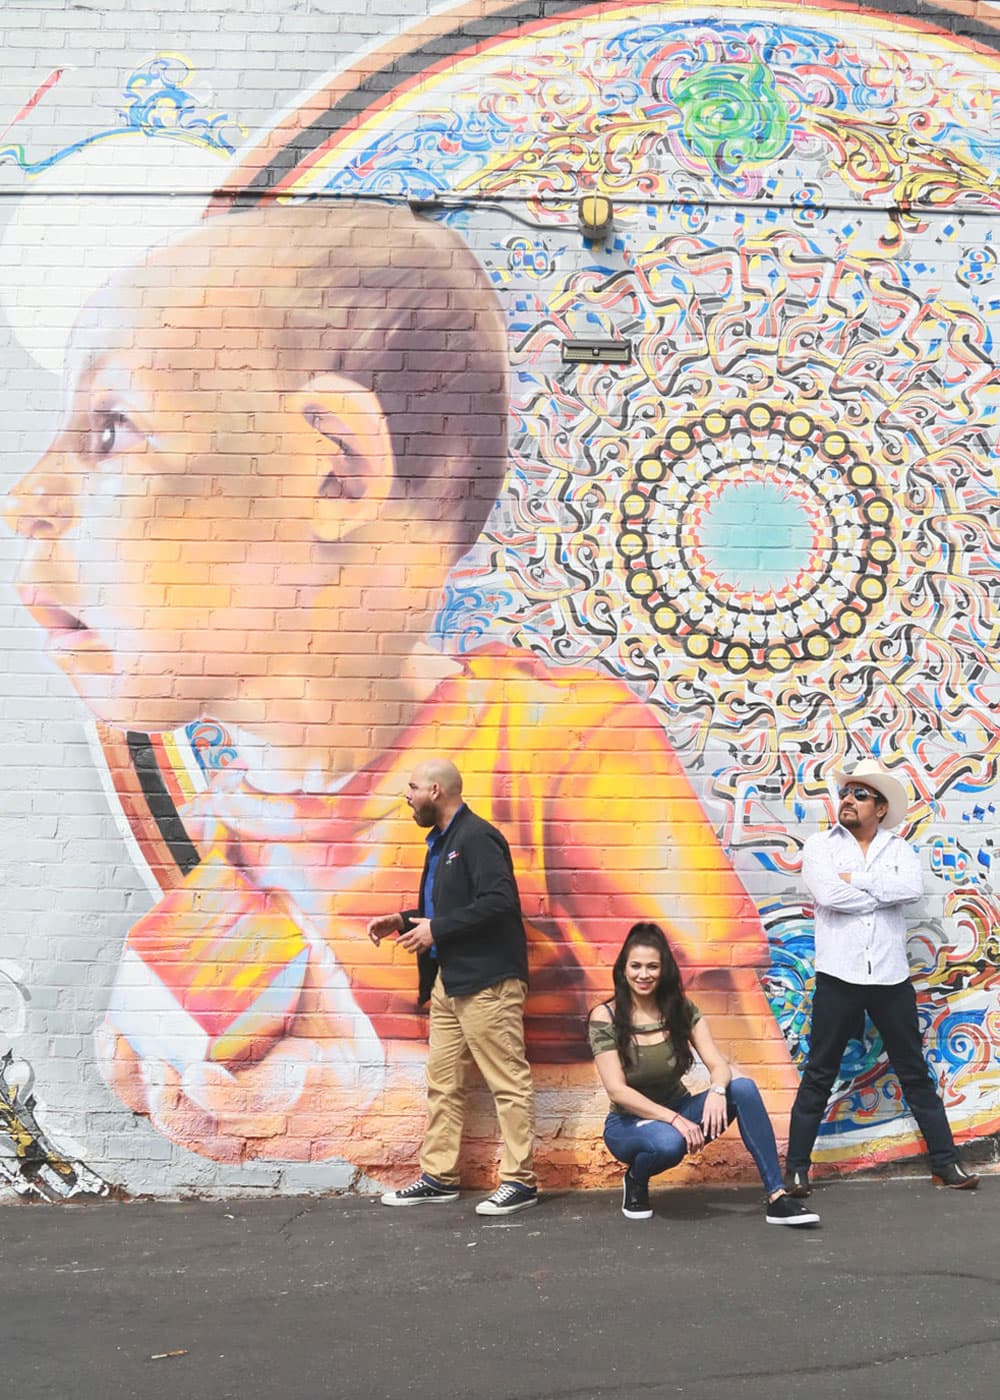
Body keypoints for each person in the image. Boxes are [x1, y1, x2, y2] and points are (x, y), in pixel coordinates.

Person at [2, 198, 799, 1177]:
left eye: (113, 428)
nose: (24, 499)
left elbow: (748, 1115)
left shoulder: (563, 753)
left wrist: (401, 1117)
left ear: (334, 469)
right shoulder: (246, 805)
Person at [785, 758, 980, 1194]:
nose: (848, 800)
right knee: (819, 1072)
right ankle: (796, 1168)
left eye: (859, 794)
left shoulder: (900, 850)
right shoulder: (821, 847)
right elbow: (829, 894)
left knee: (913, 1072)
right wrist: (875, 888)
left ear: (880, 807)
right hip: (839, 976)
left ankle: (946, 1164)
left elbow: (909, 890)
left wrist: (858, 881)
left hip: (890, 979)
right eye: (845, 793)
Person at [367, 758, 536, 1215]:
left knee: (508, 1083)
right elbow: (451, 908)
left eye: (413, 787)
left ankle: (521, 1181)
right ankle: (440, 1177)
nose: (407, 795)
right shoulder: (441, 843)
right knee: (442, 1084)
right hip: (450, 982)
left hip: (488, 983)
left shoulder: (477, 837)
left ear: (437, 791)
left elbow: (499, 902)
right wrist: (403, 920)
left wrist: (437, 930)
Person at [590, 922, 820, 1225]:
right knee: (669, 1142)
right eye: (636, 966)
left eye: (652, 966)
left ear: (664, 970)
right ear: (623, 968)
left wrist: (718, 1090)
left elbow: (718, 1064)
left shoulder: (680, 1010)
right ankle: (636, 1177)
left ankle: (777, 1197)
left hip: (680, 1111)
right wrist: (675, 1119)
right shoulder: (605, 1015)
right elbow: (617, 1090)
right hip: (628, 1124)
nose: (643, 974)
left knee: (744, 1089)